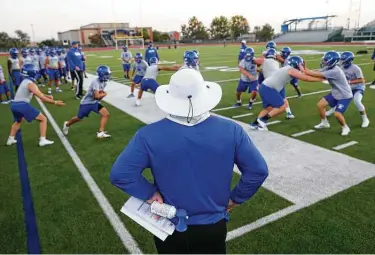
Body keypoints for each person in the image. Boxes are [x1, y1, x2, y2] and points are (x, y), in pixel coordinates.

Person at [110, 68, 269, 254]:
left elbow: (120, 174)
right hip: (212, 226)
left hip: (169, 226)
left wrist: (149, 193)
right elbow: (258, 170)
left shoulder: (147, 135)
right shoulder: (231, 130)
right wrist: (235, 198)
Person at [249, 56, 324, 130]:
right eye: (300, 64)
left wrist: (319, 76)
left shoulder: (288, 68)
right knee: (282, 107)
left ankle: (255, 123)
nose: (302, 65)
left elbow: (305, 74)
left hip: (265, 87)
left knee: (269, 108)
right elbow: (305, 78)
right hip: (268, 88)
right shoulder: (291, 70)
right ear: (297, 64)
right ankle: (263, 120)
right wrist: (320, 79)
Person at [6, 64, 65, 147]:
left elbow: (38, 94)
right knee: (43, 119)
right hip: (23, 105)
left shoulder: (24, 82)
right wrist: (55, 102)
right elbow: (41, 97)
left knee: (18, 121)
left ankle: (10, 139)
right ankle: (42, 140)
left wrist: (46, 96)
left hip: (14, 105)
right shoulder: (30, 84)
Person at [301, 51, 353, 136]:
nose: (324, 61)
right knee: (320, 105)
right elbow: (314, 72)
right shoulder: (329, 68)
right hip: (336, 93)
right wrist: (304, 67)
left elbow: (313, 74)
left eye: (326, 60)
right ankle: (324, 123)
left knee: (337, 114)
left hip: (344, 95)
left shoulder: (335, 71)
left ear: (332, 61)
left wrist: (301, 68)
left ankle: (345, 127)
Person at [62, 66, 111, 139]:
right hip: (86, 103)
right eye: (107, 74)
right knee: (79, 118)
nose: (108, 76)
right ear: (102, 74)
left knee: (106, 114)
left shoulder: (104, 82)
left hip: (94, 103)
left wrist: (101, 96)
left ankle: (101, 132)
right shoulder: (95, 82)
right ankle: (67, 124)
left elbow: (98, 96)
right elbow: (96, 96)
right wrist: (104, 94)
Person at [325, 51, 370, 128]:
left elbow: (362, 80)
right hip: (347, 88)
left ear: (349, 60)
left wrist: (349, 81)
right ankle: (332, 110)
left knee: (357, 101)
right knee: (338, 97)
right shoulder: (340, 67)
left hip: (357, 87)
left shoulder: (356, 68)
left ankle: (365, 119)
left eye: (343, 59)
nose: (341, 61)